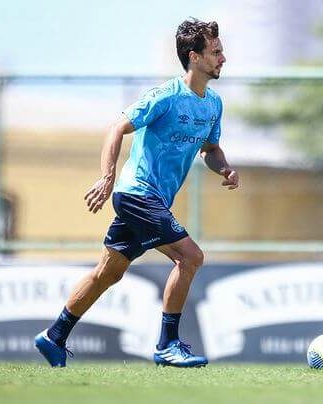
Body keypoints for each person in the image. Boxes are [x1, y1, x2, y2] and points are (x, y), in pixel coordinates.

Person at [34, 18, 238, 368]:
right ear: (194, 57)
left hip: (152, 200)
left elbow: (210, 149)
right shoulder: (165, 97)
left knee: (108, 273)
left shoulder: (213, 104)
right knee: (190, 257)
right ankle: (167, 344)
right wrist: (107, 177)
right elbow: (117, 127)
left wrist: (225, 168)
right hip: (137, 194)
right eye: (216, 52)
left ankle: (54, 336)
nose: (223, 58)